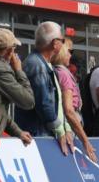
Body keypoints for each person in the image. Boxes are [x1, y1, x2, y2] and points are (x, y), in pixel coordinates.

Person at [16, 22, 75, 154]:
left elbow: (55, 103)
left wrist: (65, 127)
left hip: (42, 133)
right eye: (62, 40)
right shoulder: (37, 65)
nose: (63, 44)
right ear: (55, 43)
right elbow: (44, 103)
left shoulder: (43, 64)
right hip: (38, 135)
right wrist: (60, 131)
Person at [54, 36, 97, 162]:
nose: (71, 56)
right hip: (70, 122)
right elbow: (68, 109)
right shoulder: (64, 74)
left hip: (66, 122)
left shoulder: (56, 71)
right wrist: (85, 141)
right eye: (70, 51)